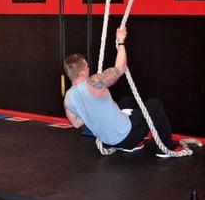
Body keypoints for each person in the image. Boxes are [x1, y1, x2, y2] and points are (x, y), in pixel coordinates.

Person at [63, 27, 183, 158]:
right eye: (87, 67)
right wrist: (120, 41)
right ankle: (167, 148)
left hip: (108, 142)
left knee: (127, 101)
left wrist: (91, 110)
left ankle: (134, 145)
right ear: (82, 72)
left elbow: (76, 123)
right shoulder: (94, 82)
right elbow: (120, 68)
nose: (89, 68)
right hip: (127, 137)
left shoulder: (68, 98)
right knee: (154, 105)